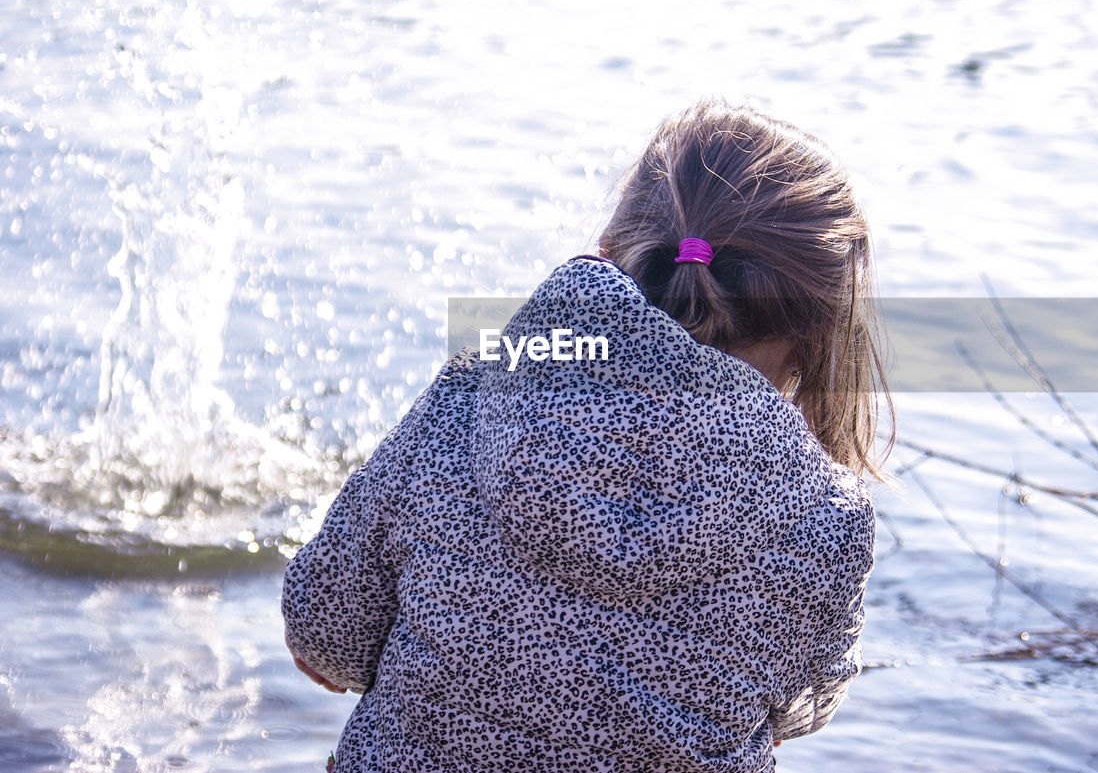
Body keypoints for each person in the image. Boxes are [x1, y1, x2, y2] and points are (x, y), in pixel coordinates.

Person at [281, 99, 895, 772]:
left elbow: (322, 640)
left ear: (610, 255)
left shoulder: (471, 396)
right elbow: (799, 711)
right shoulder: (827, 520)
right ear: (820, 338)